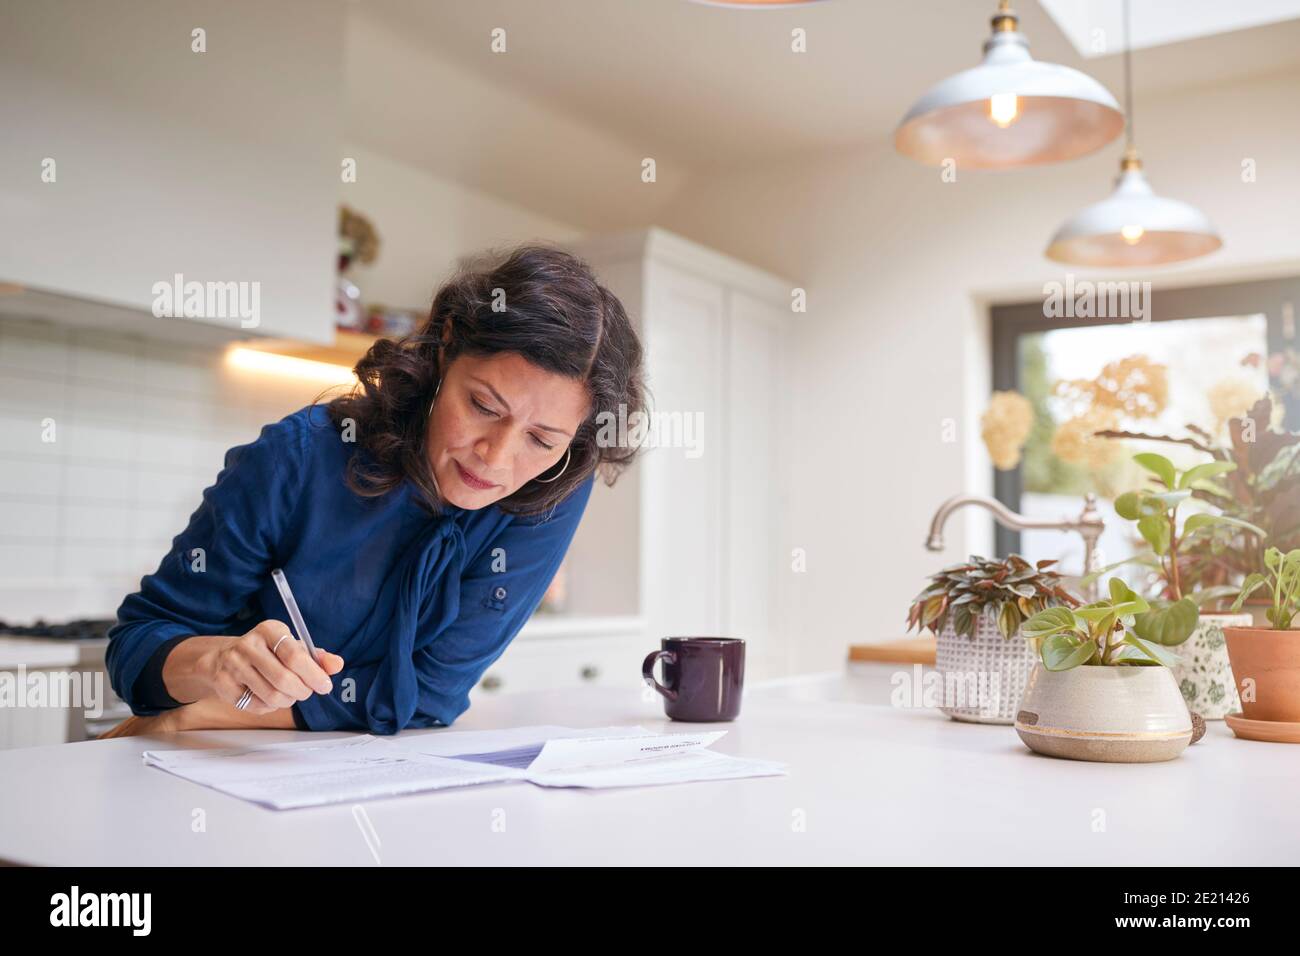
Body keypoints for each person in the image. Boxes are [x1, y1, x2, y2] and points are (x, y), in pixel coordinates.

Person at [100, 243, 646, 737]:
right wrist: (211, 664)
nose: (497, 458)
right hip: (217, 768)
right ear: (445, 349)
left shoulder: (551, 490)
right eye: (482, 407)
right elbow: (138, 646)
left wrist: (202, 714)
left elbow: (433, 692)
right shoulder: (301, 455)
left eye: (542, 439)